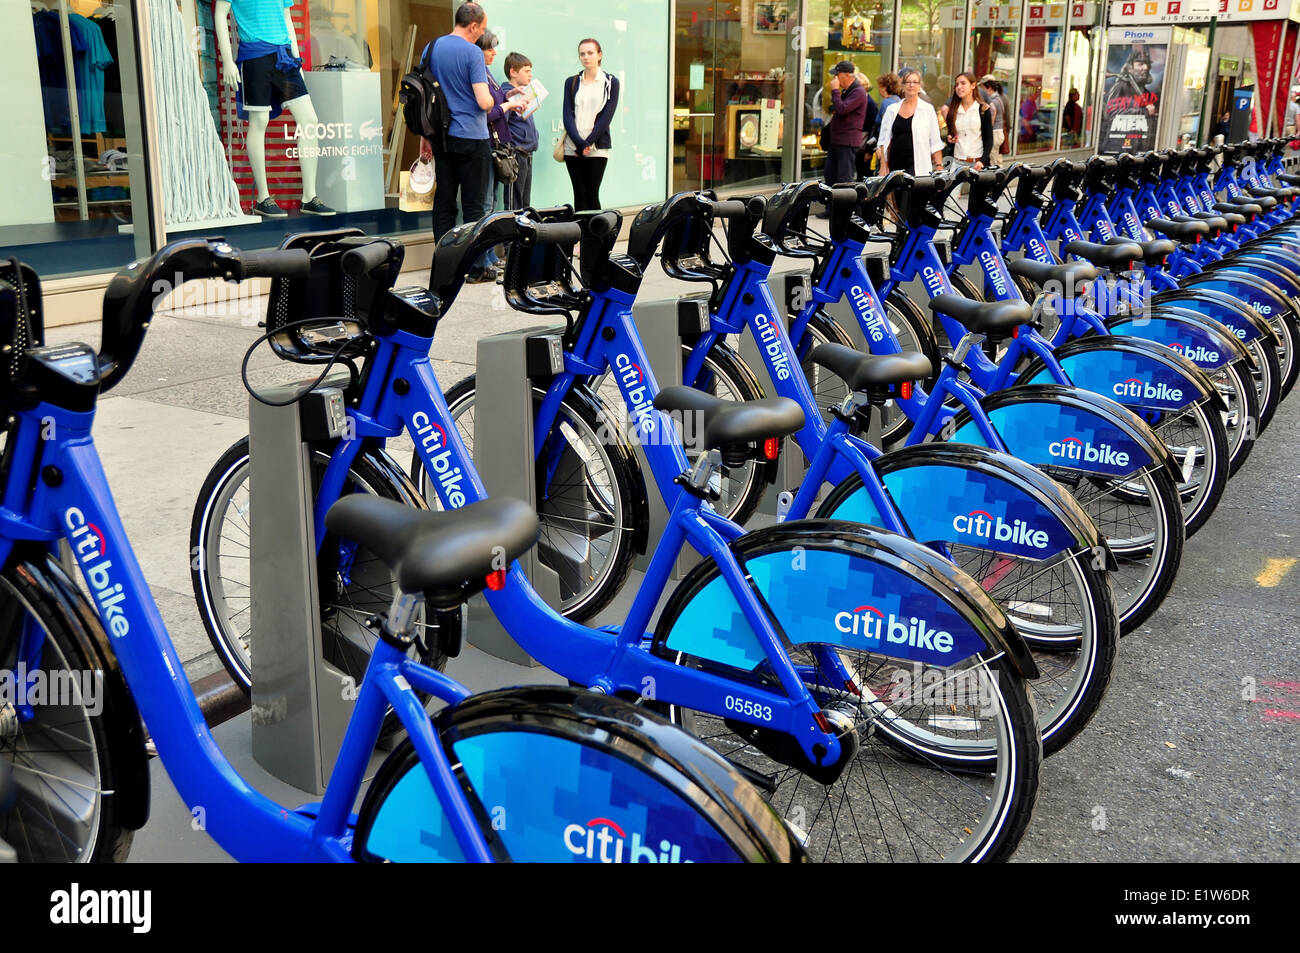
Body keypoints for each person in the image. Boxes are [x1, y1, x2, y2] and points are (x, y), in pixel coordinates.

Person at [425, 2, 496, 281]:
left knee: (444, 201)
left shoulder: (431, 48)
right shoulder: (472, 53)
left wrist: (425, 137)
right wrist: (493, 99)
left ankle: (445, 264)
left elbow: (426, 97)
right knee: (474, 206)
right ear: (474, 26)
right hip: (471, 137)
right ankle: (476, 267)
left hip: (441, 137)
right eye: (483, 28)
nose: (482, 34)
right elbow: (483, 100)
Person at [561, 37, 620, 211]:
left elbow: (606, 117)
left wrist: (587, 143)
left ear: (599, 55)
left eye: (590, 53)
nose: (586, 57)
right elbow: (567, 115)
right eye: (582, 54)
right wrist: (579, 144)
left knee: (592, 193)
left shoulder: (610, 82)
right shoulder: (571, 82)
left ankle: (596, 237)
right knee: (579, 193)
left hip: (597, 146)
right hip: (573, 146)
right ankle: (581, 235)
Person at [877, 70, 944, 177]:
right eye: (908, 82)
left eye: (915, 82)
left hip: (919, 166)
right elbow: (883, 142)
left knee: (915, 193)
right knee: (898, 193)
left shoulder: (927, 109)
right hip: (895, 166)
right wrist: (883, 167)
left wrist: (939, 166)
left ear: (919, 86)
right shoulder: (891, 110)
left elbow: (935, 141)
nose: (911, 85)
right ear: (902, 86)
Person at [503, 52, 539, 210]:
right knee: (514, 203)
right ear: (513, 72)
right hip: (516, 153)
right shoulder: (507, 95)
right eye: (526, 70)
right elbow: (502, 123)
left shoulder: (525, 92)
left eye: (531, 70)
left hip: (527, 153)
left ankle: (524, 233)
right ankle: (512, 233)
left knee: (525, 203)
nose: (530, 74)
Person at [824, 61, 867, 186]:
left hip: (847, 143)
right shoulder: (847, 91)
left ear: (847, 75)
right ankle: (831, 205)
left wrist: (835, 90)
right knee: (830, 175)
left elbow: (842, 109)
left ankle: (845, 205)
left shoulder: (858, 91)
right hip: (836, 141)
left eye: (837, 75)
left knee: (844, 179)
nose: (835, 78)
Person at [944, 72, 993, 170]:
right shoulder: (953, 111)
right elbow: (950, 138)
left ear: (973, 85)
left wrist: (982, 161)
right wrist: (950, 140)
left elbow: (989, 139)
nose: (959, 87)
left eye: (963, 83)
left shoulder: (982, 109)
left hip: (977, 164)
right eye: (957, 84)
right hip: (956, 164)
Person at [980, 75, 1008, 155]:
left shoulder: (994, 101)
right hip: (999, 132)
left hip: (995, 133)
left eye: (983, 88)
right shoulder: (999, 98)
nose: (982, 91)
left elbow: (992, 114)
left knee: (993, 160)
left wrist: (987, 130)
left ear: (989, 88)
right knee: (997, 159)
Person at [873, 72, 901, 138]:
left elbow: (885, 126)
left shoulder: (886, 103)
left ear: (884, 88)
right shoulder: (898, 99)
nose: (878, 89)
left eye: (879, 86)